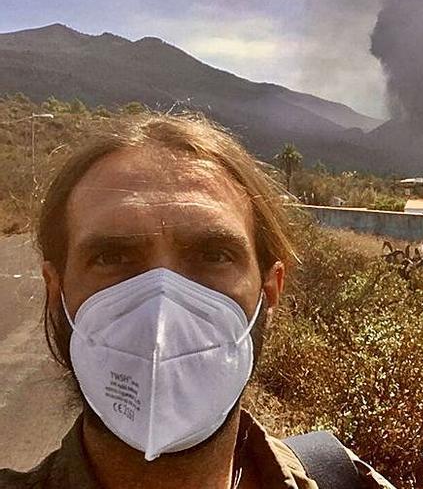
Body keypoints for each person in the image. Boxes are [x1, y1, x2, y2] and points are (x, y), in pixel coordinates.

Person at [0, 114, 394, 488]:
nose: (161, 311)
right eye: (111, 257)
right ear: (57, 292)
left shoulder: (347, 481)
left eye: (213, 255)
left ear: (269, 290)